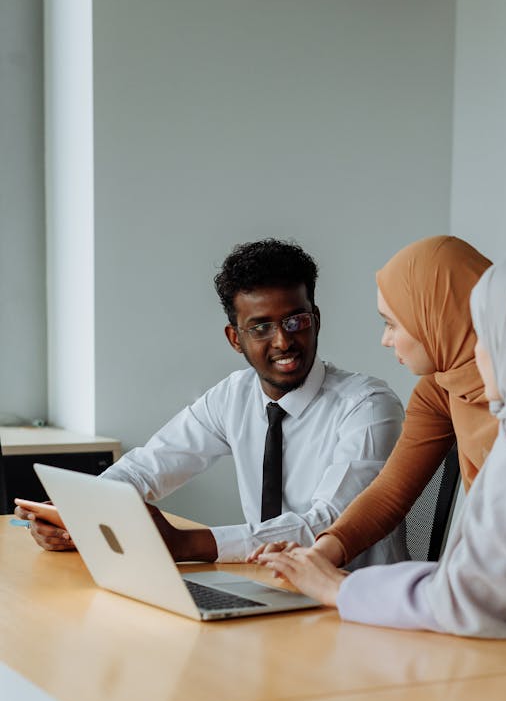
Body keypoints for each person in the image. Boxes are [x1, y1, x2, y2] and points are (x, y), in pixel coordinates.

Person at [261, 251, 506, 663]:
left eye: (485, 334)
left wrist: (339, 589)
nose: (476, 347)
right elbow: (493, 583)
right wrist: (327, 562)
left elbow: (472, 598)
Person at [17, 239, 406, 568]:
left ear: (315, 320)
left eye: (295, 321)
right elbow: (147, 468)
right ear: (235, 338)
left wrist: (188, 544)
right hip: (271, 587)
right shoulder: (233, 396)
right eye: (260, 326)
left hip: (354, 602)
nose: (283, 341)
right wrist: (77, 513)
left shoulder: (368, 407)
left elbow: (329, 522)